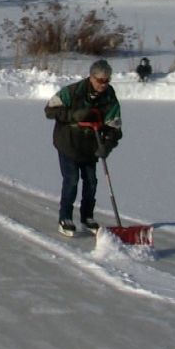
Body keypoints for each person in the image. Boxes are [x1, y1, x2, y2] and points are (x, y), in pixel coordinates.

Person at [44, 59, 122, 237]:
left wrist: (106, 146)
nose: (104, 85)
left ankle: (87, 217)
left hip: (90, 145)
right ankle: (65, 218)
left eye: (107, 80)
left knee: (92, 182)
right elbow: (49, 110)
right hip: (69, 142)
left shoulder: (109, 97)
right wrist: (73, 115)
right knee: (71, 180)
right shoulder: (73, 91)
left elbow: (115, 127)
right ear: (91, 77)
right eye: (100, 80)